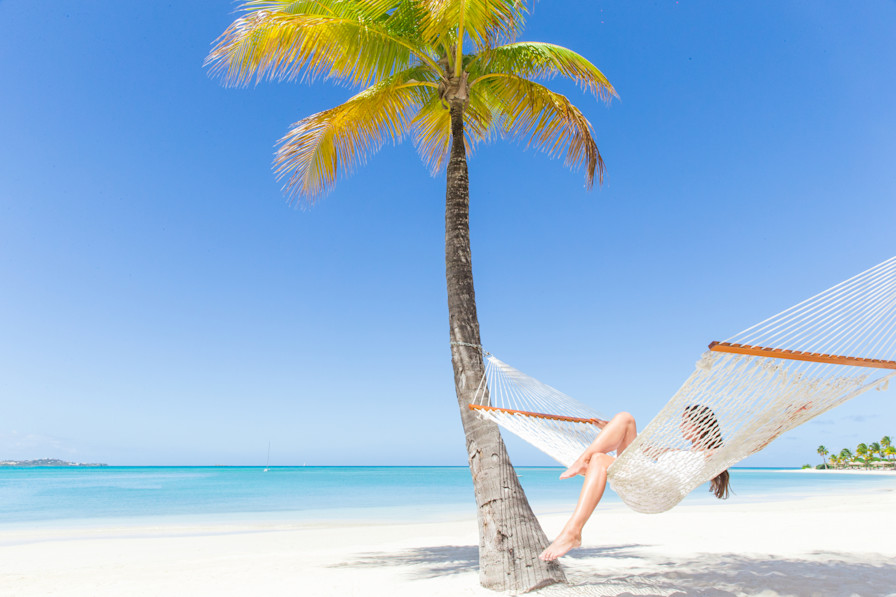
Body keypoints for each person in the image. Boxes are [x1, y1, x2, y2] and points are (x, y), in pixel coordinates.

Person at [538, 406, 731, 561]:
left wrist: (761, 430)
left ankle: (573, 531)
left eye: (685, 422)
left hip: (656, 489)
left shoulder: (712, 456)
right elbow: (642, 447)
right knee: (624, 419)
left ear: (699, 425)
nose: (681, 426)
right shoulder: (678, 452)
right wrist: (610, 429)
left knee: (599, 459)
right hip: (643, 477)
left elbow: (747, 445)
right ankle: (583, 463)